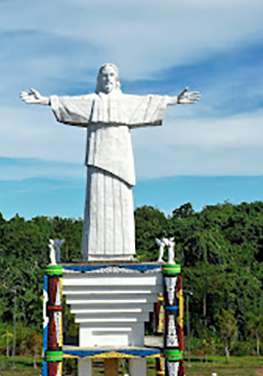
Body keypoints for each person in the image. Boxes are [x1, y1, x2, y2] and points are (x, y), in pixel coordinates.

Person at [21, 64, 199, 260]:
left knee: (122, 200)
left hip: (121, 158)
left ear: (117, 79)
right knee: (96, 200)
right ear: (99, 80)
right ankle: (95, 252)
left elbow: (148, 102)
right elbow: (69, 103)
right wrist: (45, 101)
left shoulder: (125, 101)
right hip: (97, 156)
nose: (108, 79)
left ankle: (124, 252)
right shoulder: (91, 101)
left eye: (111, 75)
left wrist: (175, 100)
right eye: (104, 76)